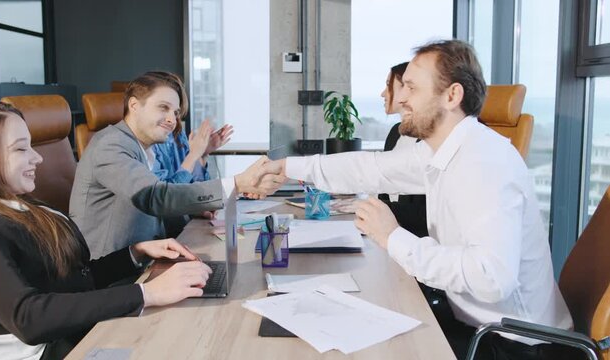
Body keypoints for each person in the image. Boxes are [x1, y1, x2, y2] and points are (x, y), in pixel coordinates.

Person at [264, 40, 579, 359]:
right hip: (479, 327)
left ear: (452, 95)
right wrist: (286, 168)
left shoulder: (485, 163)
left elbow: (491, 278)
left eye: (411, 88)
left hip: (520, 346)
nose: (400, 97)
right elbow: (371, 168)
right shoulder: (443, 152)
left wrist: (392, 237)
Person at [0, 102, 216, 360]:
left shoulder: (25, 206)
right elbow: (28, 318)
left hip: (71, 336)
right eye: (20, 148)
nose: (37, 157)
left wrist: (135, 253)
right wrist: (147, 293)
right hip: (46, 351)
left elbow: (74, 281)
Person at [69, 71, 284, 259]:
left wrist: (194, 211)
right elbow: (157, 198)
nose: (172, 120)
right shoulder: (111, 145)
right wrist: (237, 183)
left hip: (149, 257)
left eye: (175, 112)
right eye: (163, 107)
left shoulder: (146, 148)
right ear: (134, 105)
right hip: (114, 273)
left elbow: (161, 206)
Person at [377, 61, 428, 238]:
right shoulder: (395, 133)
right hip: (393, 236)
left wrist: (381, 210)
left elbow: (428, 216)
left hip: (417, 242)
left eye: (388, 86)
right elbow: (382, 185)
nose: (383, 93)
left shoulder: (430, 140)